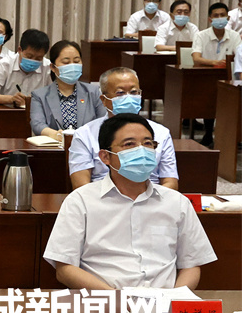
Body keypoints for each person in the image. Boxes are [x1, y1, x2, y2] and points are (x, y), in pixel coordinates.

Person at [43, 113, 216, 290]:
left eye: (148, 144)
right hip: (106, 300)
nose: (141, 151)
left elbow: (191, 265)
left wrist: (175, 299)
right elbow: (65, 269)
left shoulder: (177, 202)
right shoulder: (80, 201)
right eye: (129, 144)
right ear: (105, 156)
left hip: (164, 301)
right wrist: (116, 298)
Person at [69, 67, 178, 190]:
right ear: (104, 100)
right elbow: (81, 186)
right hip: (102, 196)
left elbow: (170, 183)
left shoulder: (161, 133)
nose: (128, 97)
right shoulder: (85, 134)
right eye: (120, 93)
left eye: (134, 92)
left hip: (151, 195)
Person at [29, 40, 107, 139]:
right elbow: (37, 124)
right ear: (53, 67)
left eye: (76, 61)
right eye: (66, 62)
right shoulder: (39, 95)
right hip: (55, 146)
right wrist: (56, 135)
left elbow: (103, 121)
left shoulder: (93, 91)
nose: (72, 66)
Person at [191, 2, 242, 146]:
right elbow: (196, 58)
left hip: (228, 77)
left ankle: (234, 136)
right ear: (210, 19)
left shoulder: (234, 36)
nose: (220, 18)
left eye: (222, 15)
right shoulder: (201, 35)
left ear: (228, 18)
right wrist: (215, 62)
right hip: (206, 77)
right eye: (216, 15)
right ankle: (208, 134)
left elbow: (239, 56)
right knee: (209, 97)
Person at [0, 29, 51, 108]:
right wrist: (11, 99)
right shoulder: (4, 65)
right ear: (19, 50)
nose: (33, 60)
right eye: (29, 56)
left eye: (38, 58)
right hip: (7, 112)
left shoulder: (48, 67)